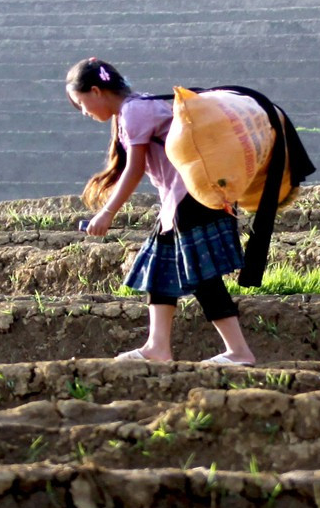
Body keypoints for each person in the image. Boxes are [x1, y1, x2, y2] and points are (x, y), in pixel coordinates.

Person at [66, 58, 257, 365]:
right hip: (181, 199)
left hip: (190, 198)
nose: (85, 112)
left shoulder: (133, 112)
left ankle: (239, 352)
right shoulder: (136, 108)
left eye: (82, 104)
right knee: (161, 270)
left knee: (203, 276)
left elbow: (135, 169)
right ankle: (157, 347)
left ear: (96, 91)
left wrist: (107, 213)